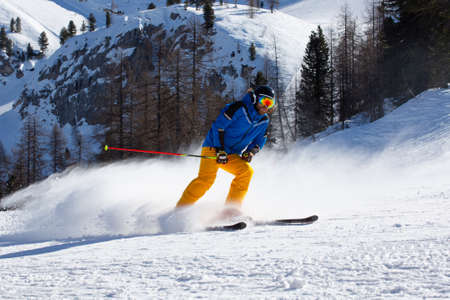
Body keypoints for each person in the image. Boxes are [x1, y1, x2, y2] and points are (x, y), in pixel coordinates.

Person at [176, 85, 276, 211]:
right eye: (264, 101)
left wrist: (250, 152)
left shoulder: (264, 121)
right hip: (213, 147)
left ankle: (230, 212)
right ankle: (180, 210)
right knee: (206, 180)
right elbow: (219, 127)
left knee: (246, 173)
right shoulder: (238, 108)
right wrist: (220, 149)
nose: (266, 106)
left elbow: (260, 140)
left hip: (231, 154)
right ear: (255, 99)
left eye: (270, 103)